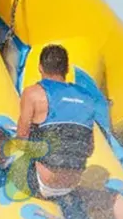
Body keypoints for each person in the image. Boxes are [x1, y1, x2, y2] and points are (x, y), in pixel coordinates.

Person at [15, 44, 96, 199]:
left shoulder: (34, 93)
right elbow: (89, 148)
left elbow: (21, 138)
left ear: (40, 68)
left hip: (42, 183)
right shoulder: (87, 98)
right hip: (72, 183)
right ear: (66, 69)